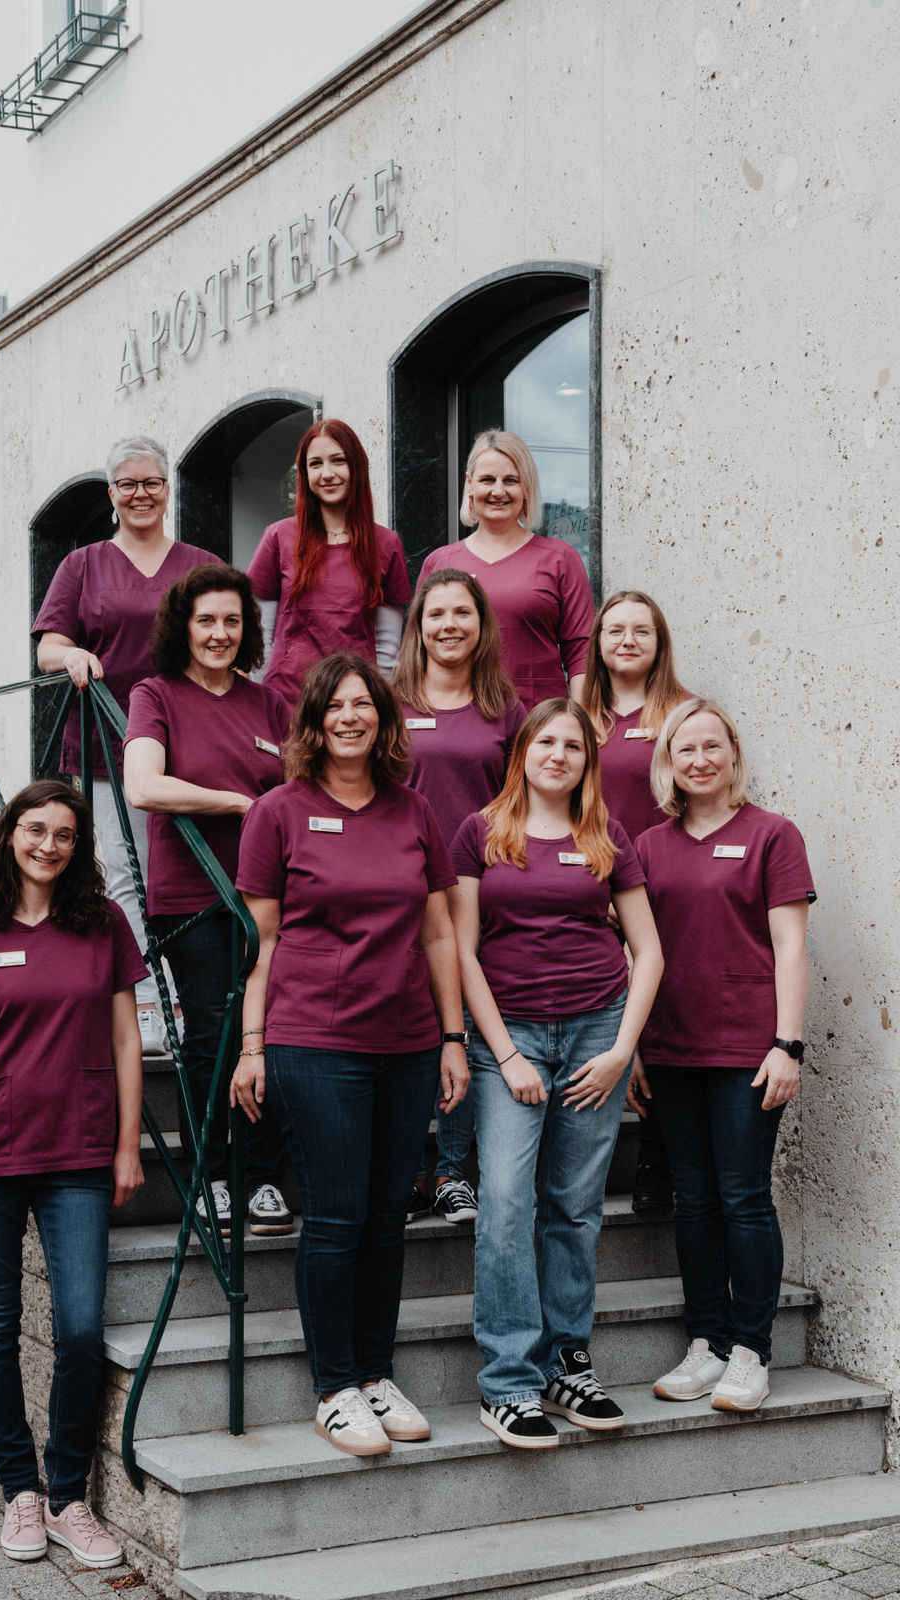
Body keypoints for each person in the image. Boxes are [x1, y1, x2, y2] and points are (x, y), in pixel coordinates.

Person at [231, 654, 468, 1459]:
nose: (351, 716)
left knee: (386, 1217)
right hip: (313, 1039)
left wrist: (453, 1035)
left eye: (364, 704)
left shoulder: (414, 813)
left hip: (405, 1043)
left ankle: (376, 1372)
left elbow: (439, 933)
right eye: (335, 705)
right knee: (334, 1215)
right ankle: (333, 1387)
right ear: (314, 720)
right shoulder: (278, 813)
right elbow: (259, 944)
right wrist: (252, 1044)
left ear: (384, 719)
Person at [0, 780, 144, 1567]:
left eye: (64, 835)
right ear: (8, 834)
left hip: (79, 1153)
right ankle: (19, 1487)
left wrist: (127, 1146)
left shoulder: (102, 923)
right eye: (35, 829)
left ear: (78, 848)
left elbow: (126, 1043)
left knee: (81, 1328)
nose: (48, 845)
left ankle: (67, 1496)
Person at [450, 700, 662, 1448]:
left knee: (573, 1205)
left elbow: (650, 951)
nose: (560, 754)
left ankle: (568, 1360)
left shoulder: (606, 835)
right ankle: (508, 1382)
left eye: (574, 744)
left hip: (597, 1035)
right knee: (507, 1200)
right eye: (547, 740)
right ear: (524, 751)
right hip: (512, 1036)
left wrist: (620, 1052)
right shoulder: (480, 832)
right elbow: (461, 950)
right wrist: (504, 1053)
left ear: (587, 760)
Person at [637, 700, 814, 1413]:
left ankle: (751, 1351)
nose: (700, 760)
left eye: (713, 747)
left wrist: (788, 1045)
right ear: (670, 763)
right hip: (672, 1047)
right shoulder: (649, 846)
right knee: (695, 1200)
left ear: (733, 755)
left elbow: (793, 948)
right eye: (687, 749)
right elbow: (635, 953)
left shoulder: (773, 834)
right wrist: (636, 1046)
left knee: (743, 1198)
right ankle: (705, 1344)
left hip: (747, 1048)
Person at [32, 434, 218, 1052]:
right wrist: (74, 652)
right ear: (111, 494)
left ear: (169, 491)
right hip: (106, 745)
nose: (141, 494)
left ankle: (192, 1000)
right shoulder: (83, 564)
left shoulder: (199, 564)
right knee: (126, 878)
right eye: (128, 484)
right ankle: (147, 1009)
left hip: (184, 743)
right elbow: (46, 646)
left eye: (153, 483)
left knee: (184, 874)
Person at [124, 564, 293, 1236]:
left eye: (232, 620)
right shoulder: (154, 693)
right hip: (194, 893)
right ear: (183, 628)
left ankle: (263, 1181)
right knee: (212, 1037)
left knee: (271, 1031)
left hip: (269, 898)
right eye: (206, 621)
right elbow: (143, 786)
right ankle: (210, 1177)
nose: (220, 633)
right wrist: (237, 803)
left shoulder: (268, 702)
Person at [391, 569, 526, 1226]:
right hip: (393, 888)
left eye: (461, 614)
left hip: (473, 890)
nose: (448, 625)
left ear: (481, 625)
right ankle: (402, 1171)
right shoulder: (389, 700)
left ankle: (449, 1170)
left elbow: (525, 800)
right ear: (418, 624)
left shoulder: (506, 708)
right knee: (403, 1028)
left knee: (462, 1027)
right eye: (435, 613)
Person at [580, 590, 691, 1217]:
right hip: (592, 885)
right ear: (596, 642)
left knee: (666, 1016)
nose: (626, 640)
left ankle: (658, 1158)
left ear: (659, 642)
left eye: (640, 631)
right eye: (614, 629)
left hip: (665, 885)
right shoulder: (578, 716)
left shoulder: (683, 712)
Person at [416, 430, 593, 707]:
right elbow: (418, 652)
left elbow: (581, 652)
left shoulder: (561, 559)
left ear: (526, 488)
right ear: (470, 485)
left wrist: (579, 723)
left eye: (510, 480)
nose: (498, 491)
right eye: (488, 480)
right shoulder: (441, 563)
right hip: (462, 724)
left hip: (540, 726)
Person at [246, 420, 412, 706]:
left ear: (357, 467)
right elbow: (261, 633)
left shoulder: (385, 544)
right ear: (304, 473)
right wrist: (261, 701)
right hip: (286, 701)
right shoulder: (278, 537)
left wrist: (376, 701)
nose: (327, 474)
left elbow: (387, 646)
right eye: (315, 464)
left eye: (338, 461)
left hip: (354, 704)